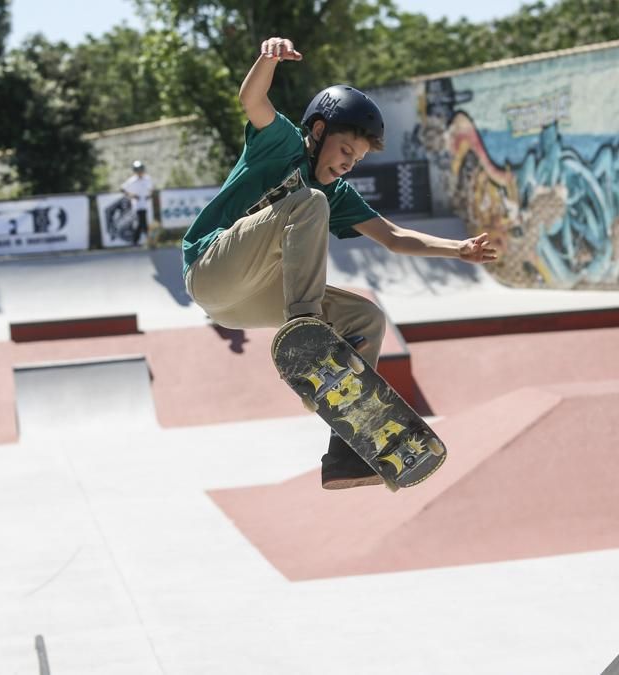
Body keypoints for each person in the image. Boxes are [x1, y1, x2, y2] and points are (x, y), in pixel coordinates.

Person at [180, 36, 497, 490]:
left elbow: (394, 237)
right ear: (318, 131)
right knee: (309, 202)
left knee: (366, 318)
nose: (349, 165)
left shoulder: (338, 193)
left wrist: (458, 249)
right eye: (346, 151)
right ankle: (305, 329)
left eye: (358, 160)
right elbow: (252, 99)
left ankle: (346, 453)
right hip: (210, 270)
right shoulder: (280, 142)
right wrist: (268, 59)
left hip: (244, 304)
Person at [122, 160, 155, 246]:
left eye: (141, 169)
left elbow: (152, 188)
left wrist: (150, 194)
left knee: (142, 223)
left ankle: (136, 241)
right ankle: (149, 241)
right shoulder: (132, 180)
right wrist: (132, 195)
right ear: (135, 170)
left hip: (146, 204)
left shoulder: (147, 178)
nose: (140, 171)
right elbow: (123, 189)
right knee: (142, 222)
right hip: (137, 205)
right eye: (138, 169)